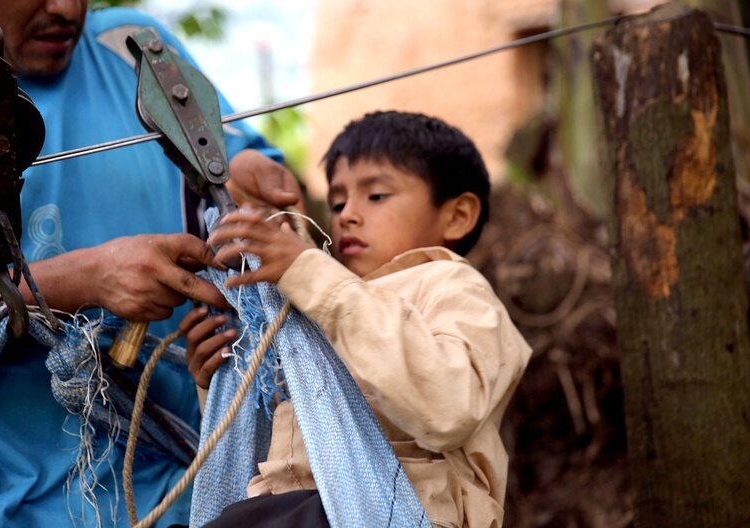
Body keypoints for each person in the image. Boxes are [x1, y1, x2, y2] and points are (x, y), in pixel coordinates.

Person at [0, 1, 302, 526]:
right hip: (9, 506)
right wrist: (82, 281)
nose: (66, 8)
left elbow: (235, 162)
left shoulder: (137, 46)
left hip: (200, 487)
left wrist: (246, 180)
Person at [183, 110, 533, 528]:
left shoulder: (455, 287)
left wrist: (316, 276)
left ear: (456, 216)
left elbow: (448, 408)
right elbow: (274, 425)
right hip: (291, 507)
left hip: (402, 510)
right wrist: (221, 375)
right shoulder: (320, 298)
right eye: (337, 201)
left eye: (376, 196)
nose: (347, 213)